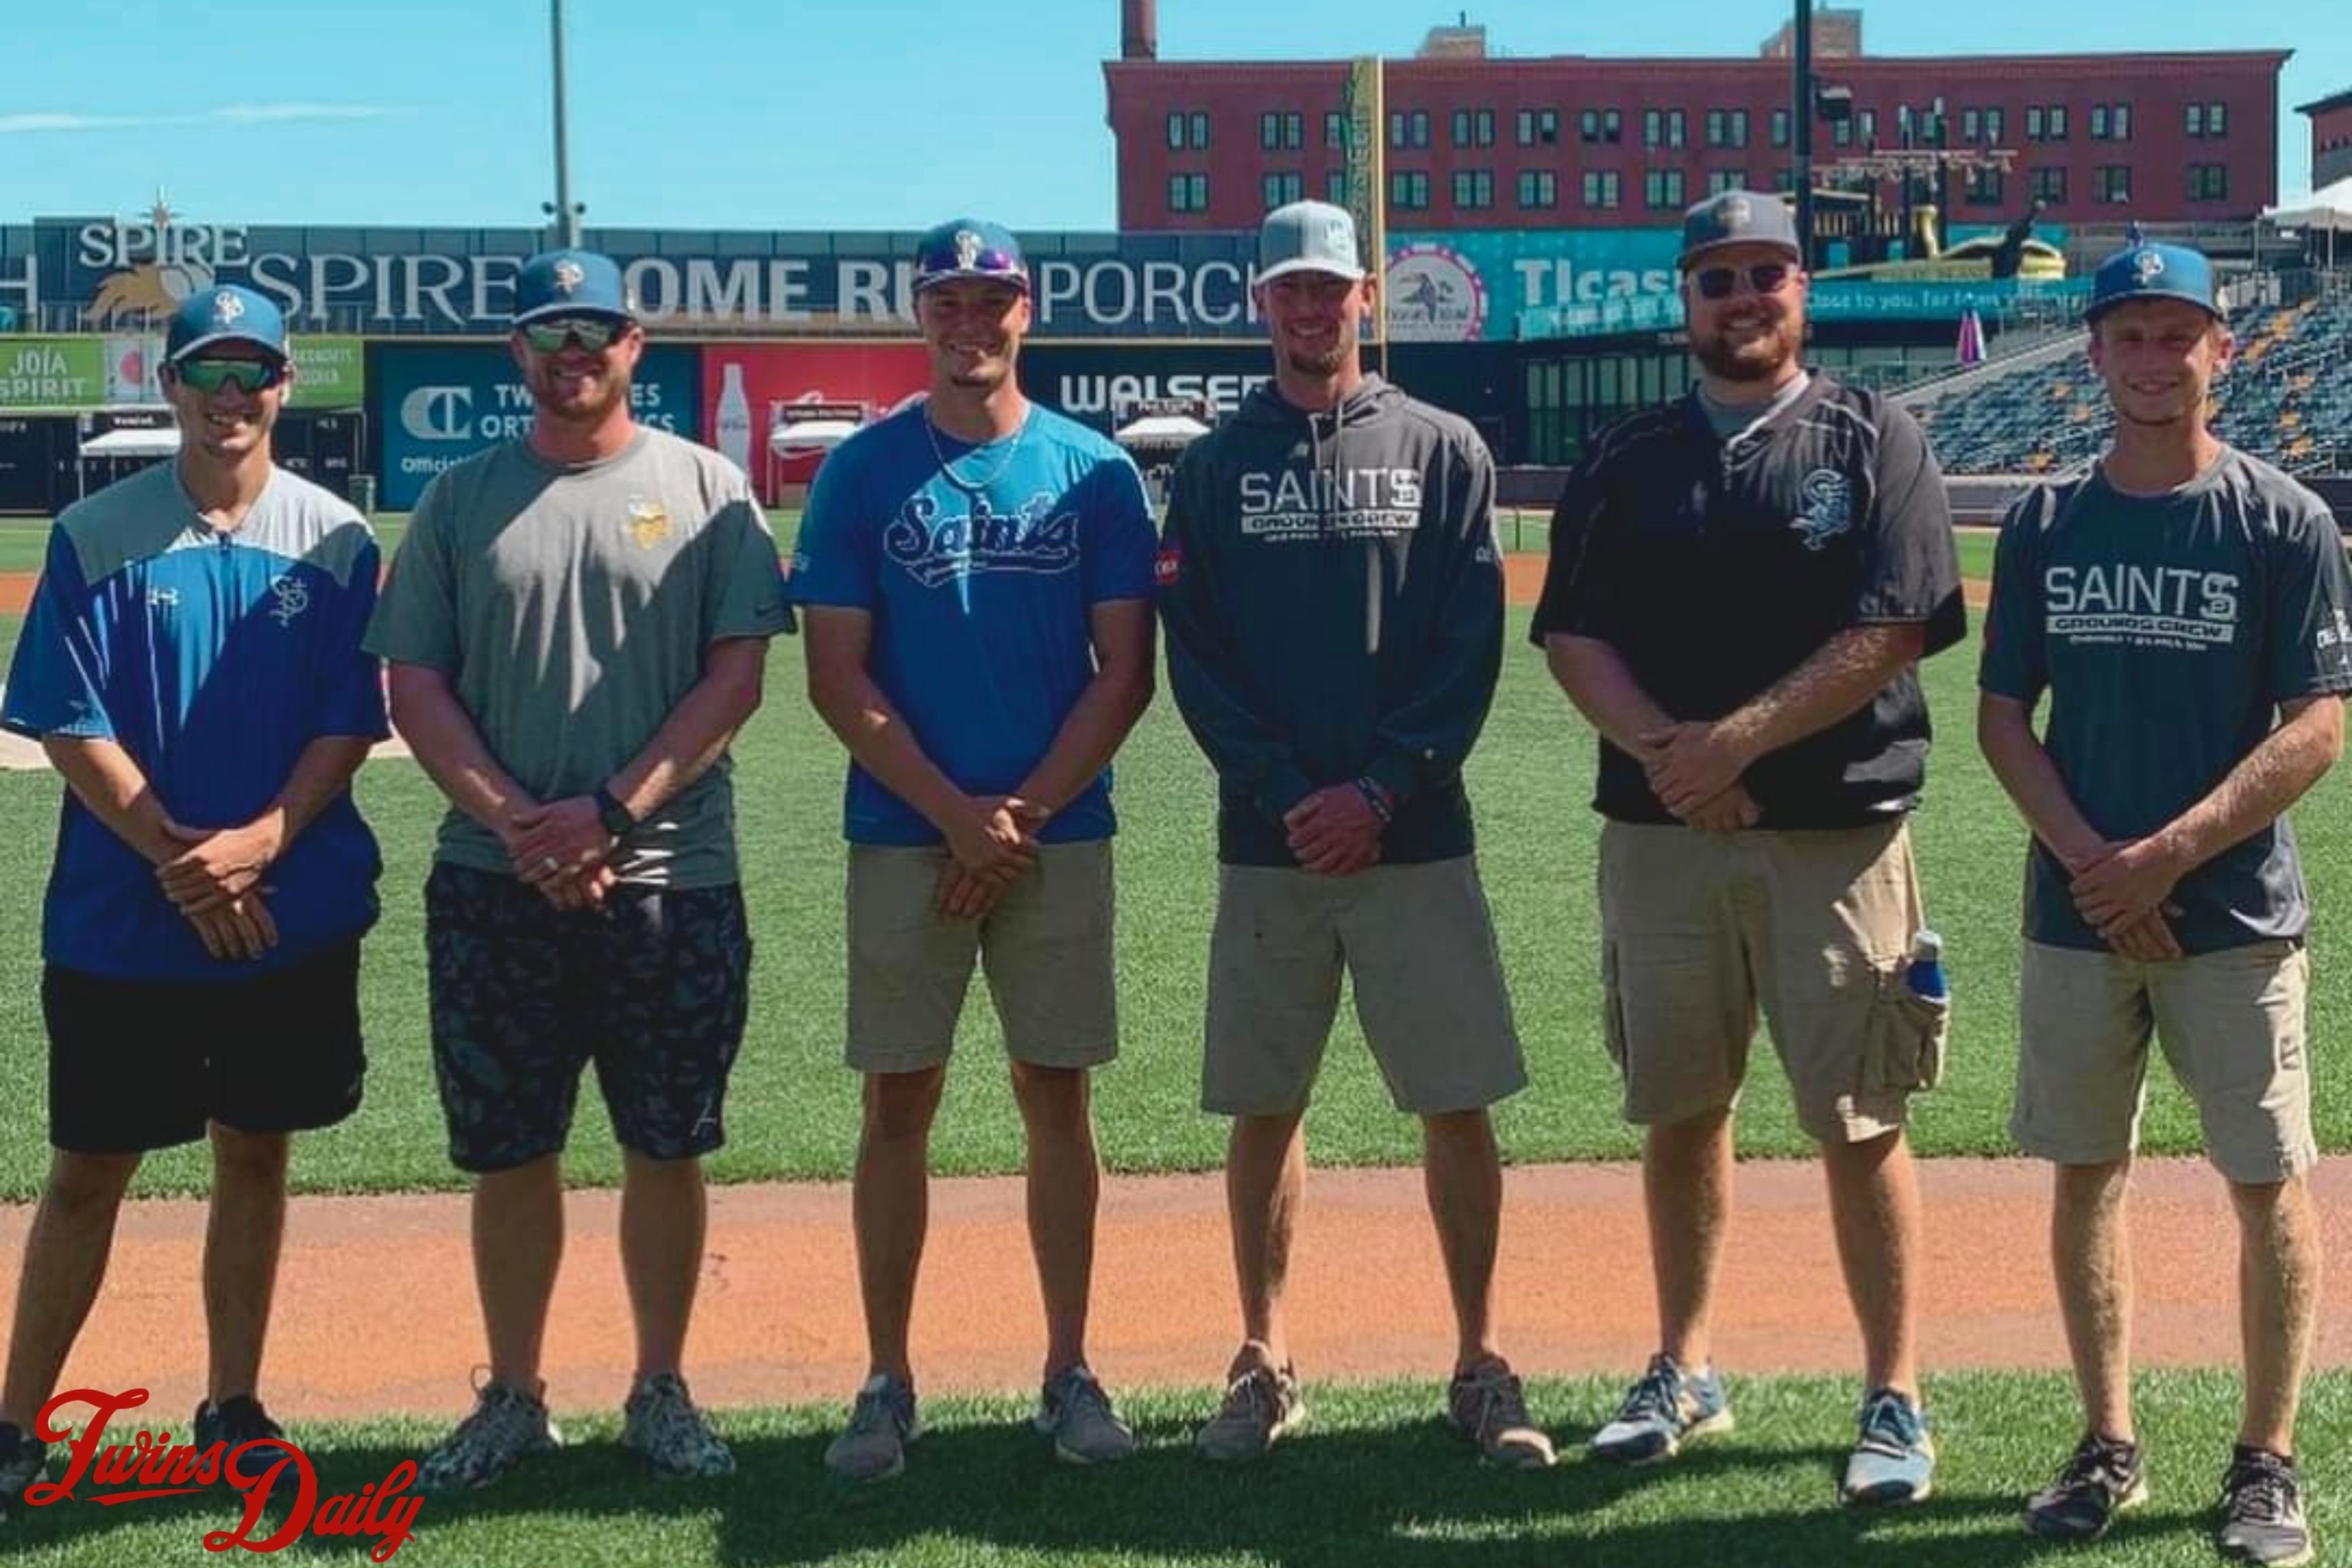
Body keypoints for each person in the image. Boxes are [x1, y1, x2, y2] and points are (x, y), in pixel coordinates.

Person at [1531, 189, 1965, 1505]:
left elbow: (1893, 627)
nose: (1743, 298)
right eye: (1717, 276)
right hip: (1664, 836)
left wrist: (1738, 746)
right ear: (1686, 300)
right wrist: (1678, 751)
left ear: (1802, 290)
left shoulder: (1874, 434)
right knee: (1679, 1108)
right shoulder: (1627, 455)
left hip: (1834, 833)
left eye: (1766, 272)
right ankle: (1684, 1363)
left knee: (1861, 1117)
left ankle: (1893, 1392)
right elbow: (1571, 635)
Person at [365, 248, 793, 1490]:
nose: (574, 351)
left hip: (671, 875)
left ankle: (660, 1386)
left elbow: (737, 679)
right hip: (496, 880)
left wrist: (606, 813)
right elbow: (415, 684)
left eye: (595, 329)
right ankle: (514, 1392)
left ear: (632, 348)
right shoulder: (458, 500)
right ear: (519, 353)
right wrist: (521, 824)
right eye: (551, 331)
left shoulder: (706, 486)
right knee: (510, 1149)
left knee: (667, 1142)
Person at [1158, 199, 1550, 1471]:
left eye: (1332, 288)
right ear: (1262, 304)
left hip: (1415, 837)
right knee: (1265, 1105)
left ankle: (1482, 1362)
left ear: (1366, 298)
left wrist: (1379, 790)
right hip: (1271, 845)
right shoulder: (1215, 468)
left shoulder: (1443, 450)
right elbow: (1198, 663)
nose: (1312, 308)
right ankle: (1264, 1359)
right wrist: (1288, 793)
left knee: (1455, 1100)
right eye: (1291, 289)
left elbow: (1466, 647)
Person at [1978, 240, 2348, 1565]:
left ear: (2221, 353)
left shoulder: (2280, 519)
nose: (2153, 357)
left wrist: (2170, 855)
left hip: (2236, 913)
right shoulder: (2045, 523)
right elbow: (2005, 720)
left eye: (2177, 334)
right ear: (2095, 354)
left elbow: (2318, 727)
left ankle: (2267, 1461)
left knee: (2267, 1181)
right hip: (2081, 909)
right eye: (2129, 334)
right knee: (2087, 1175)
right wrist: (2098, 860)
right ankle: (2108, 1442)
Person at [0, 284, 386, 1507]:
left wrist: (261, 842)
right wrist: (185, 859)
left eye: (253, 372)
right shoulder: (96, 530)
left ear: (286, 386)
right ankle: (16, 1424)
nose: (231, 394)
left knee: (256, 1154)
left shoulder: (336, 536)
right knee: (87, 1170)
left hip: (287, 907)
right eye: (207, 371)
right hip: (127, 916)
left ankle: (232, 1405)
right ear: (167, 383)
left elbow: (347, 716)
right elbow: (68, 718)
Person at [793, 217, 1158, 1483]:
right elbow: (834, 677)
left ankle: (1069, 1369)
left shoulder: (1094, 470)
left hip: (1057, 832)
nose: (968, 322)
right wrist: (959, 815)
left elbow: (1125, 676)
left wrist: (1020, 820)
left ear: (1025, 310)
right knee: (899, 1100)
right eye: (946, 301)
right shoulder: (861, 473)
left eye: (988, 300)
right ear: (921, 315)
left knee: (1057, 1092)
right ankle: (888, 1380)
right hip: (907, 835)